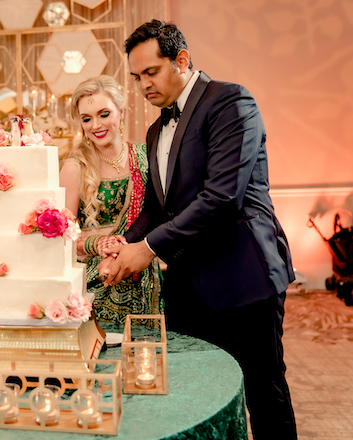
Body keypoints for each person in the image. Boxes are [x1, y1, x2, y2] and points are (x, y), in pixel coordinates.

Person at [98, 20, 297, 439]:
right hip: (189, 284)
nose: (143, 85)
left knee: (263, 390)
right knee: (201, 392)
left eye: (150, 72)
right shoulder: (154, 131)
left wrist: (147, 249)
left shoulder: (230, 102)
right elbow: (159, 208)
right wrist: (126, 243)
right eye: (136, 78)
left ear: (181, 60)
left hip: (243, 276)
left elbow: (222, 198)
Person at [59, 75, 162, 324]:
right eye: (87, 119)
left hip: (145, 279)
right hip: (99, 283)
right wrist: (101, 245)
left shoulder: (145, 156)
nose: (96, 125)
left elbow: (158, 213)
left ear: (121, 112)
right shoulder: (75, 167)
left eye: (104, 114)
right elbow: (61, 239)